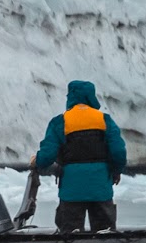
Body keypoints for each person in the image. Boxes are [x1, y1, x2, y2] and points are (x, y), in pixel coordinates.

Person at [25, 78, 127, 234]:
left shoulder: (60, 122)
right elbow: (119, 152)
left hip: (71, 191)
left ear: (70, 97)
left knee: (69, 238)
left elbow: (47, 156)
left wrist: (36, 161)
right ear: (91, 97)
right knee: (105, 236)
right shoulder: (104, 120)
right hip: (100, 188)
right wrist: (116, 171)